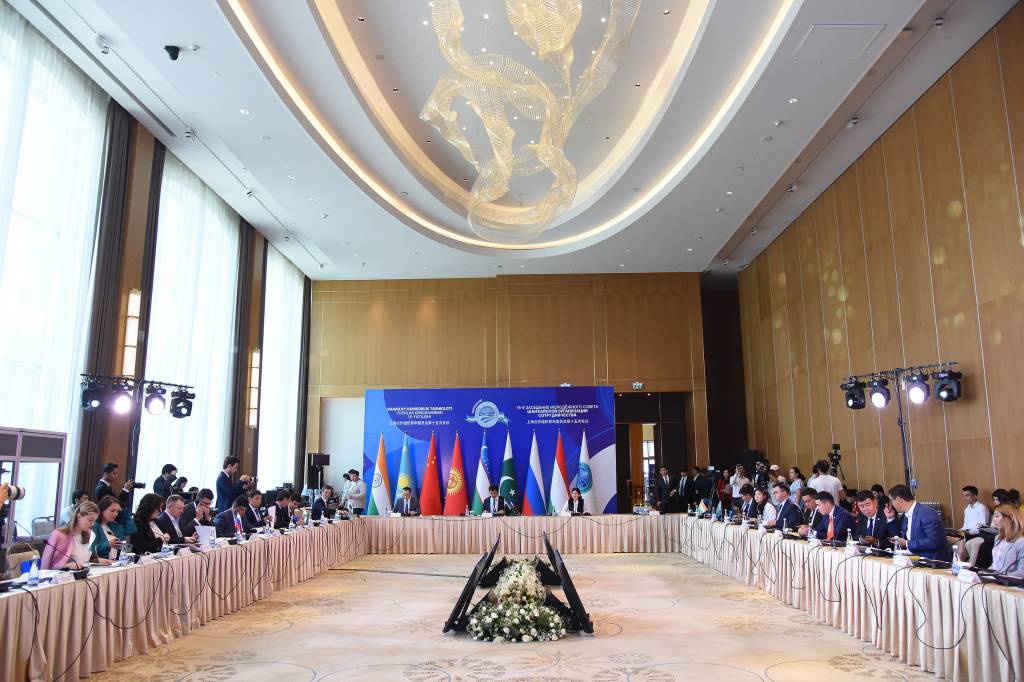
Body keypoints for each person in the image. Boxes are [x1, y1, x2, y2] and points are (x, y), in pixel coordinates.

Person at [887, 484, 952, 562]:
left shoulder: (927, 513)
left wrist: (907, 543)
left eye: (891, 500)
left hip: (931, 561)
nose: (891, 504)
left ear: (899, 500)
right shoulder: (905, 515)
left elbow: (935, 541)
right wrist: (891, 518)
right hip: (912, 559)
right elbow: (899, 537)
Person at [41, 501, 111, 570]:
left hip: (85, 573)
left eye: (94, 521)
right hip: (65, 575)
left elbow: (87, 559)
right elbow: (49, 565)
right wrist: (67, 566)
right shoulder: (59, 535)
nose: (92, 524)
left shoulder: (89, 534)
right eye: (90, 520)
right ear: (79, 516)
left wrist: (97, 560)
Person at [92, 495, 137, 560]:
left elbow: (132, 530)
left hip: (116, 562)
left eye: (117, 511)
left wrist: (124, 510)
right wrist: (108, 544)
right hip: (100, 563)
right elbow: (91, 550)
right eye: (112, 510)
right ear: (102, 510)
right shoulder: (94, 526)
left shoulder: (114, 525)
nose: (115, 514)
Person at [959, 485, 993, 566]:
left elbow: (982, 527)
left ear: (975, 496)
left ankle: (969, 565)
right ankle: (960, 563)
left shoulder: (982, 508)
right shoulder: (967, 509)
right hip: (967, 534)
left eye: (967, 495)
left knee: (962, 542)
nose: (965, 498)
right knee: (955, 539)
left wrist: (968, 532)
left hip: (978, 534)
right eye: (963, 496)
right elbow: (965, 525)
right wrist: (960, 531)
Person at [989, 505, 1024, 577]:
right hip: (995, 579)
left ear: (1011, 518)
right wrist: (984, 573)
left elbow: (1021, 572)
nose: (993, 520)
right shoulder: (998, 538)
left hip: (1010, 582)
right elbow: (995, 565)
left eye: (997, 516)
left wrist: (999, 577)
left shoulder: (1021, 542)